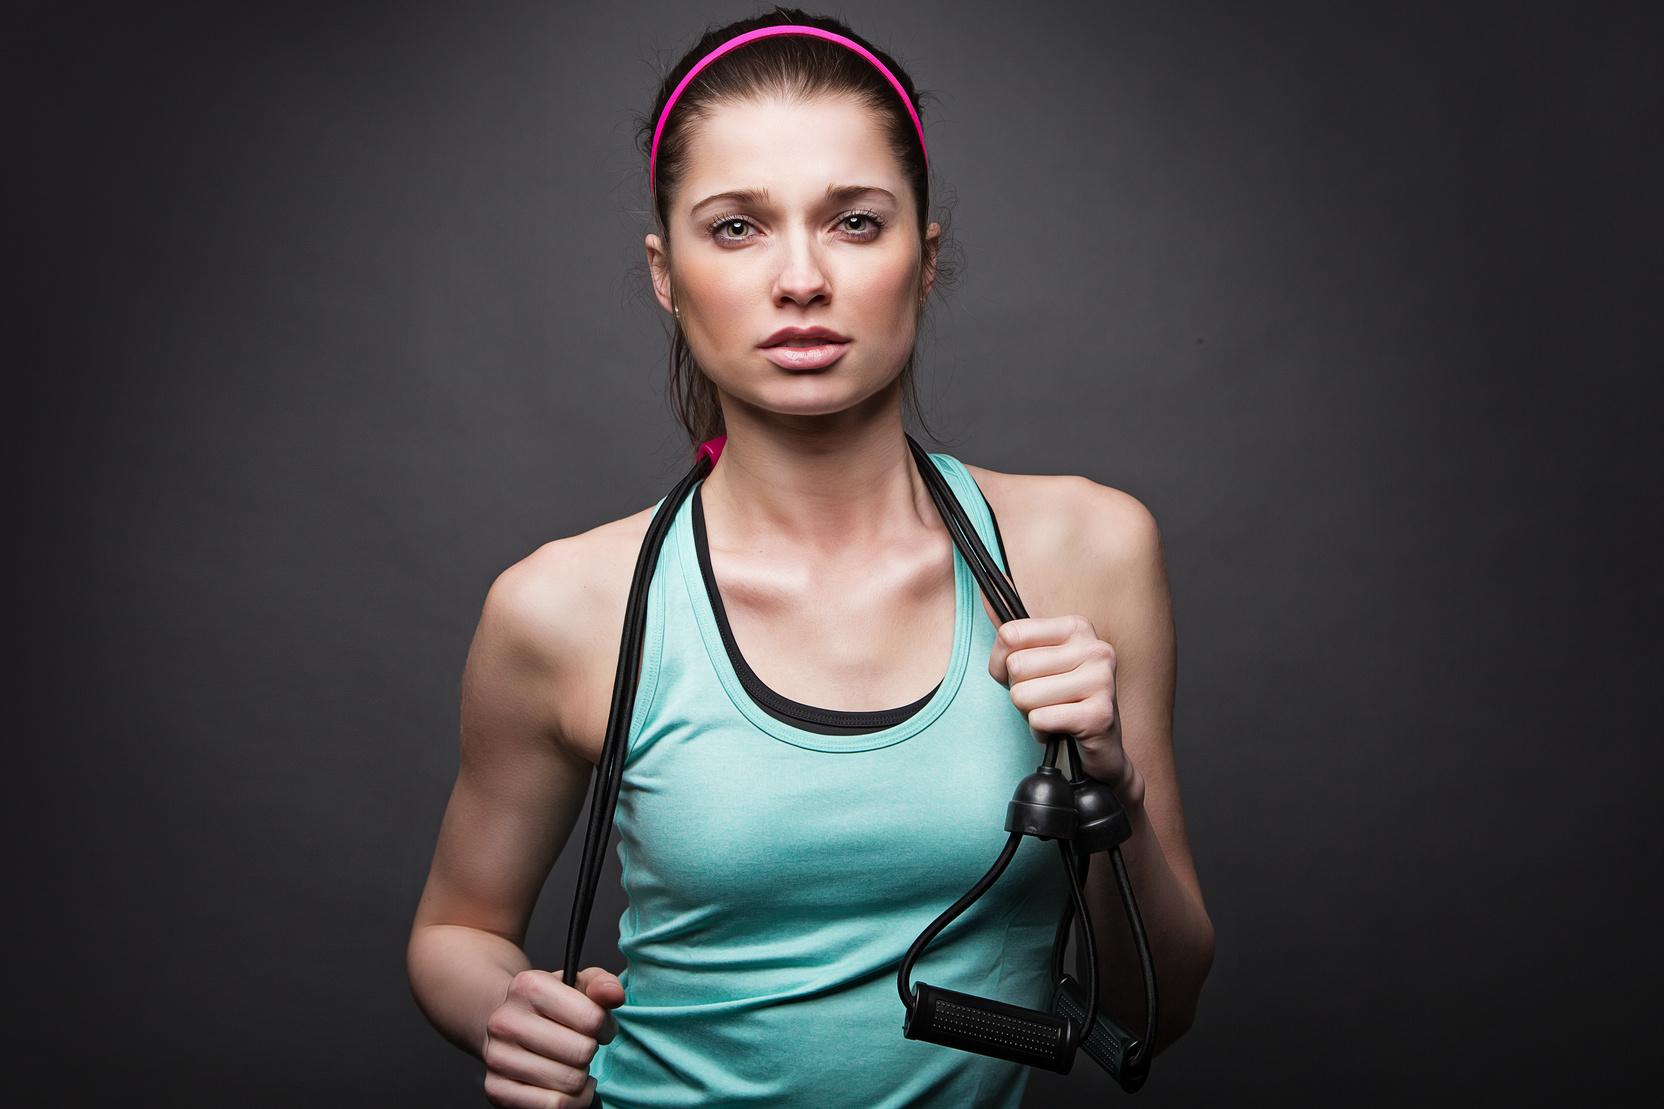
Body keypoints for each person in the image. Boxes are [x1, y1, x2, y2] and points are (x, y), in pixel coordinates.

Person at [406, 8, 1215, 1107]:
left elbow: (1156, 1009)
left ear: (924, 260)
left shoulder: (1084, 552)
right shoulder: (565, 606)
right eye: (736, 227)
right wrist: (506, 1010)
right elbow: (455, 929)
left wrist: (1109, 780)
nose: (800, 278)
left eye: (855, 223)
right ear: (665, 272)